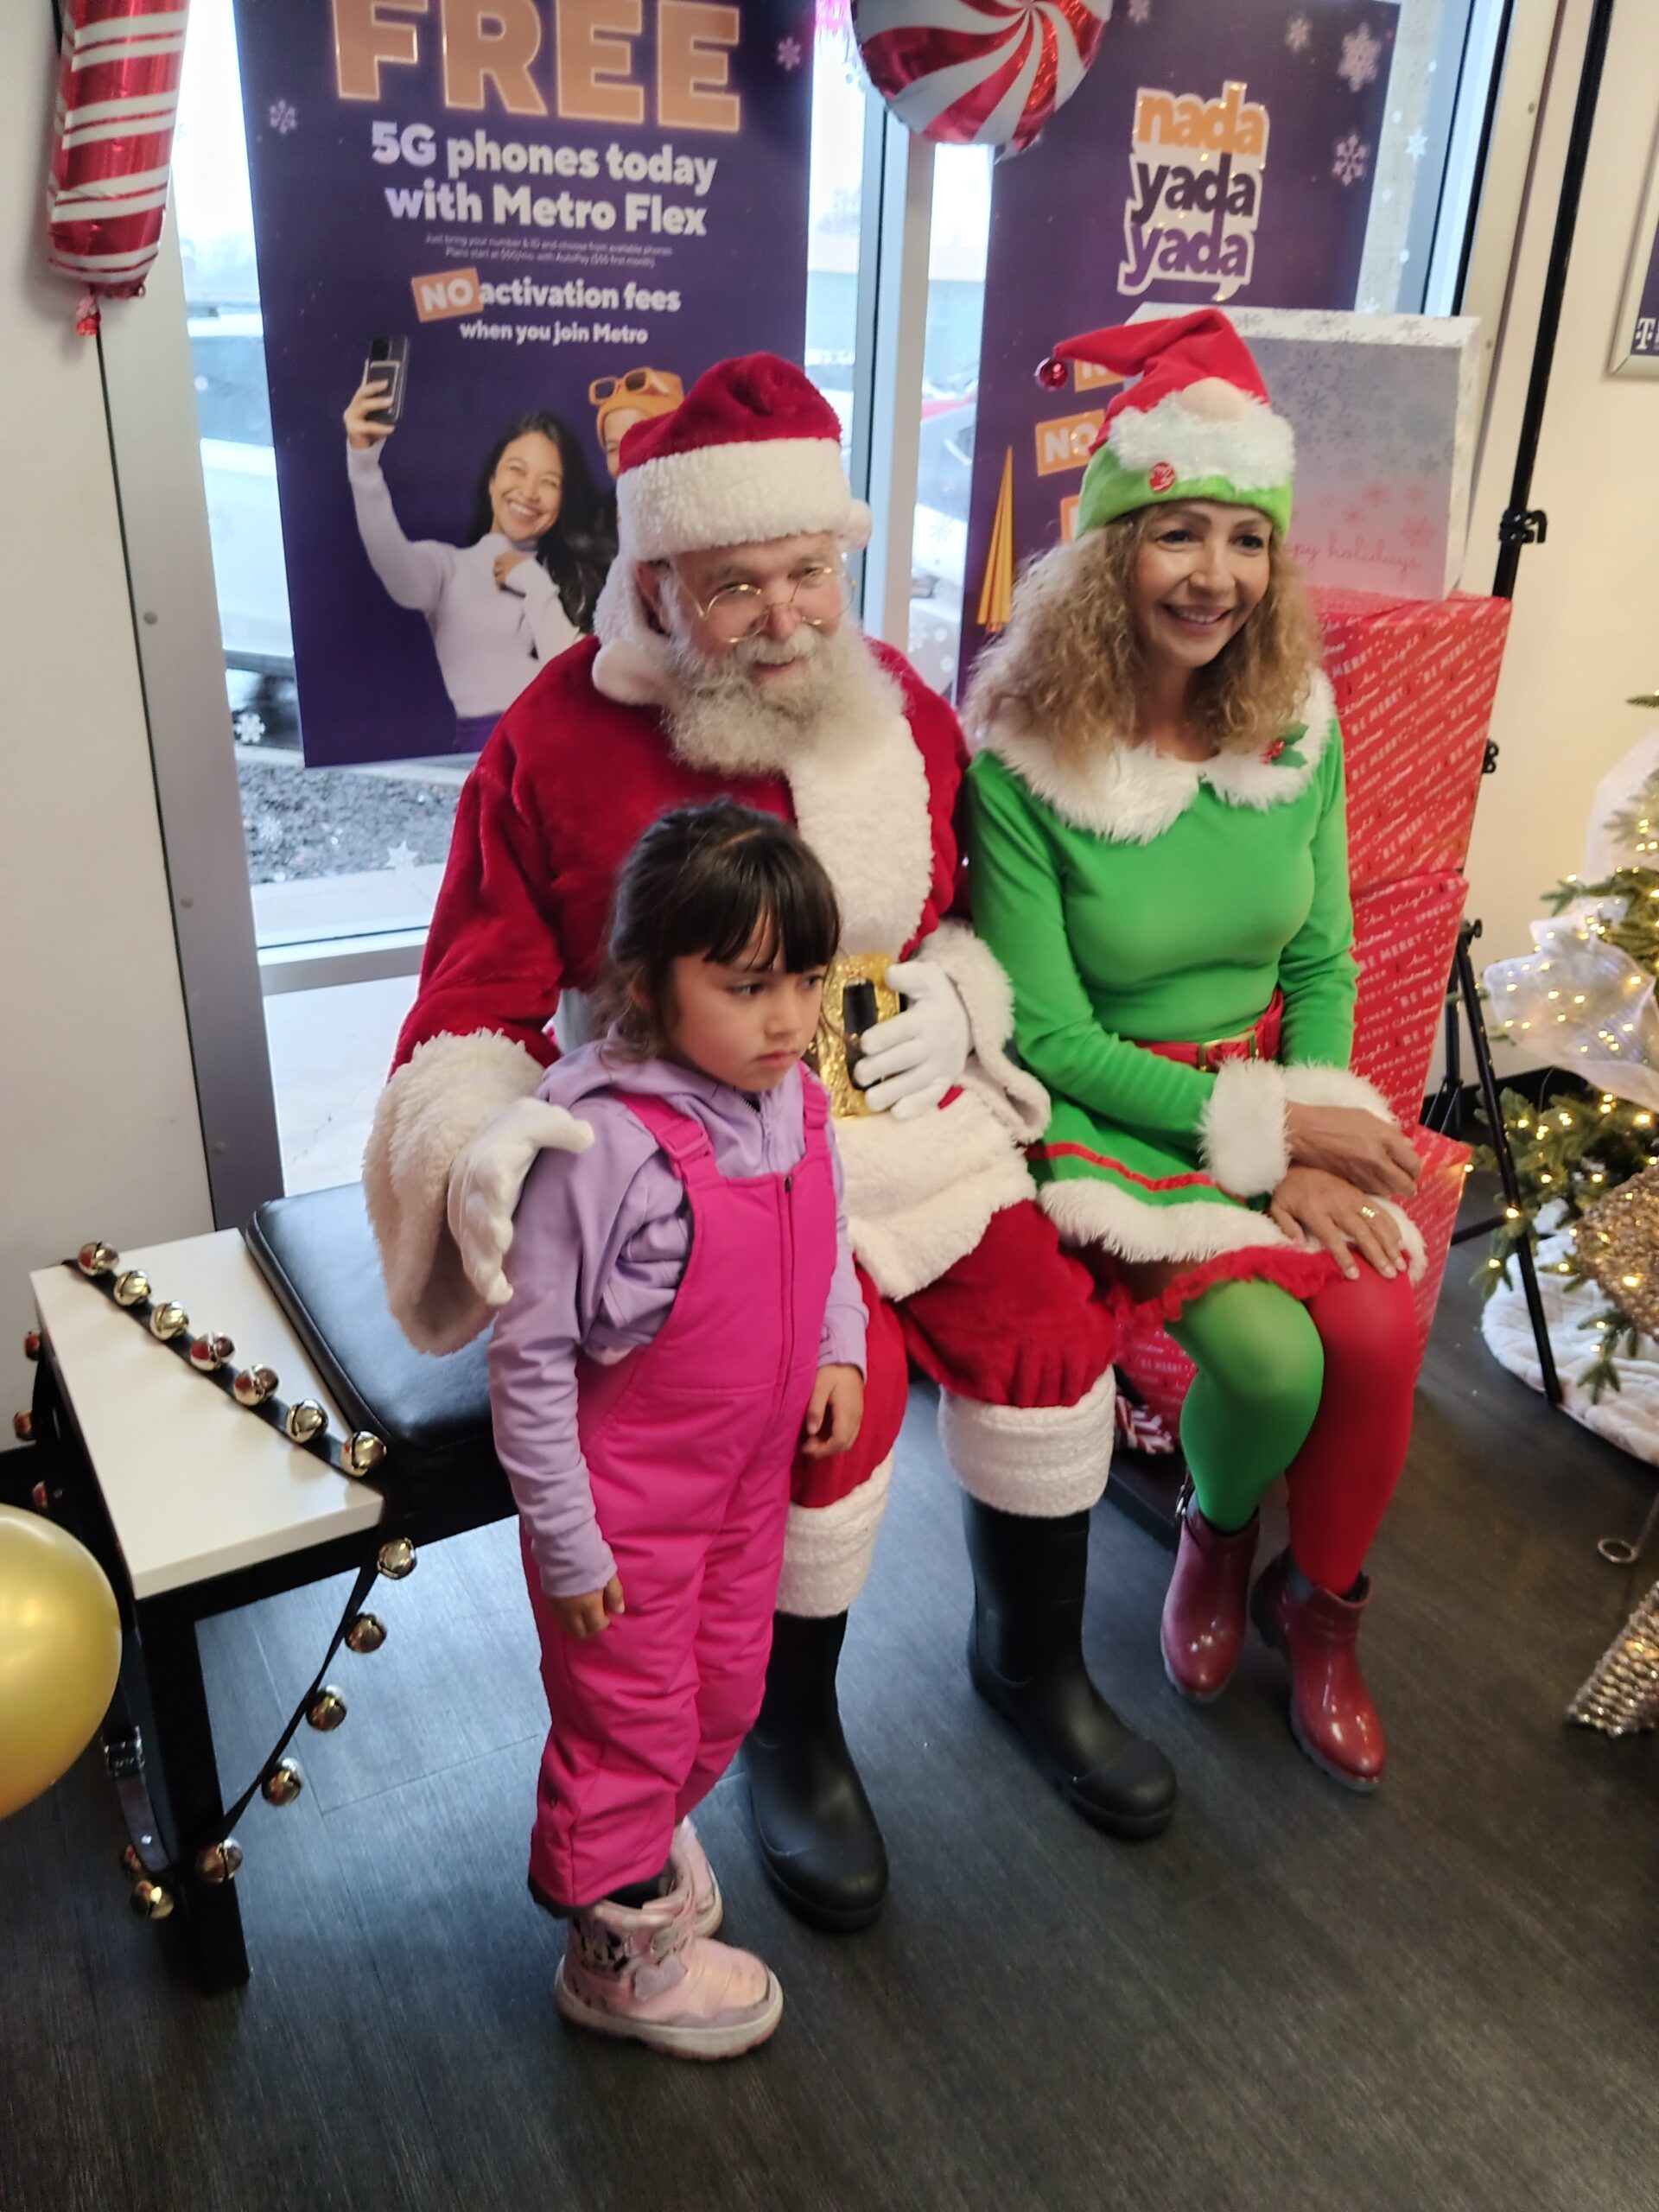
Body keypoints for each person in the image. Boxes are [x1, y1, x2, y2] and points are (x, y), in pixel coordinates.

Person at [365, 353, 1176, 1938]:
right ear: (656, 581)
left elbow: (969, 916)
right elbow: (475, 979)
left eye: (811, 571)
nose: (787, 616)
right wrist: (486, 1133)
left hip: (905, 1117)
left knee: (1047, 1330)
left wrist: (958, 996)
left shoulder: (896, 703)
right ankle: (790, 1732)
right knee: (819, 1420)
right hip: (693, 1163)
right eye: (738, 585)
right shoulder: (557, 734)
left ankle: (1032, 1663)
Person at [963, 311, 1425, 1791]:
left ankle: (1326, 1613)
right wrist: (1265, 1140)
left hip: (1283, 1096)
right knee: (1275, 1371)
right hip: (1119, 1112)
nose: (1215, 575)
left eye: (1247, 538)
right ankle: (1218, 1540)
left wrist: (1314, 1118)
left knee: (1383, 1325)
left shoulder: (1300, 725)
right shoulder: (1023, 758)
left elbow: (1322, 958)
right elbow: (1049, 1033)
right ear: (1114, 549)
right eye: (1178, 532)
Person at [490, 801, 864, 2057]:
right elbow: (529, 1360)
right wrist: (568, 1543)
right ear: (646, 984)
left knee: (726, 1694)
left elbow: (829, 1239)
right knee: (627, 1730)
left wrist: (841, 1346)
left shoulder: (794, 1099)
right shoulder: (598, 1145)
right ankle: (617, 1963)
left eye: (806, 981)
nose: (788, 1020)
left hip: (745, 1491)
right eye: (746, 987)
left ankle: (645, 1839)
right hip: (624, 1515)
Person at [343, 385, 607, 751]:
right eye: (517, 470)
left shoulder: (578, 577)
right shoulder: (447, 567)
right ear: (492, 480)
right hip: (483, 756)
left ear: (564, 498)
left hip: (566, 755)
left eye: (549, 482)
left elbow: (577, 680)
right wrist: (363, 466)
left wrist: (535, 585)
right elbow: (393, 563)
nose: (529, 492)